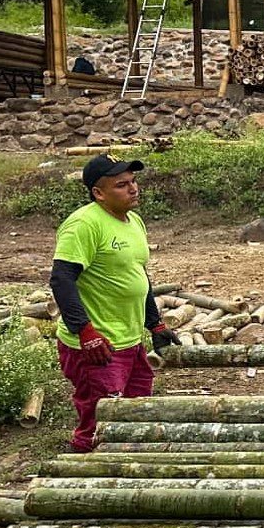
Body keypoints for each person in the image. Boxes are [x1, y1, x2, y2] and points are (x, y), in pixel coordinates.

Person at [50, 155, 175, 452]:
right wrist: (85, 333)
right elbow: (61, 279)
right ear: (99, 193)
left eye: (133, 182)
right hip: (99, 346)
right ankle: (82, 475)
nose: (133, 189)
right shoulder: (83, 224)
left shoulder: (134, 221)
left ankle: (124, 471)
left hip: (130, 340)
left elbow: (136, 274)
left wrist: (154, 323)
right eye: (122, 185)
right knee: (101, 418)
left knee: (135, 410)